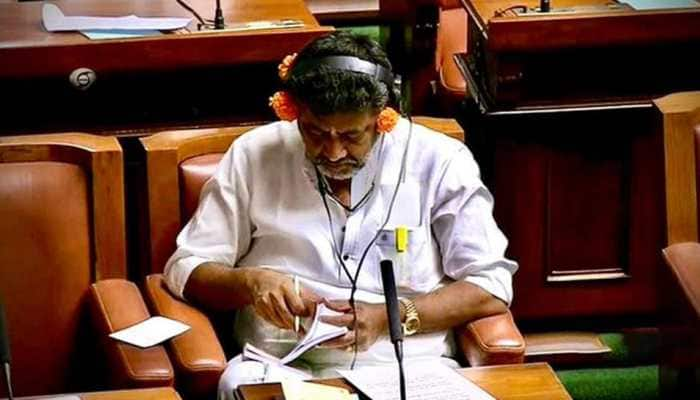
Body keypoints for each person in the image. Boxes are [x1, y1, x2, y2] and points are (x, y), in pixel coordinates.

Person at [163, 31, 517, 399]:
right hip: (282, 367)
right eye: (315, 132)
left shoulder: (439, 161)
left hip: (408, 369)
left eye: (351, 136)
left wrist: (389, 317)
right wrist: (250, 283)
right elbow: (185, 268)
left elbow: (490, 284)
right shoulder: (254, 154)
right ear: (292, 111)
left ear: (384, 118)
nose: (332, 153)